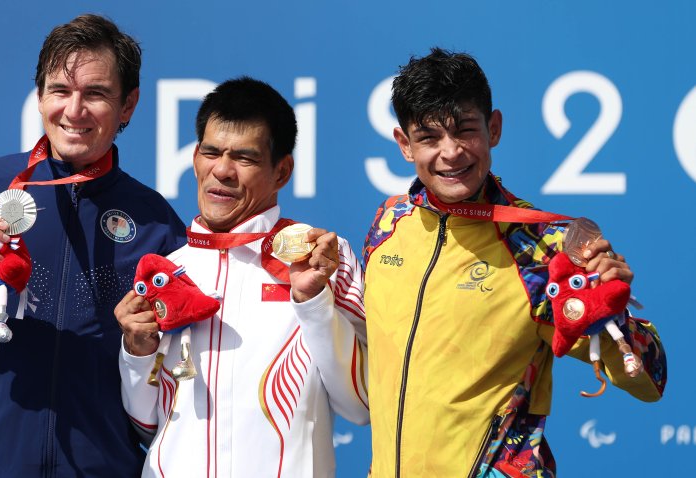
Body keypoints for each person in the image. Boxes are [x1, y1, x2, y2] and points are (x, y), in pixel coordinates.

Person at [0, 14, 186, 477]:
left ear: (129, 105)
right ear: (40, 95)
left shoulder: (155, 223)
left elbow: (178, 387)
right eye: (60, 91)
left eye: (97, 94)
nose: (74, 110)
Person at [362, 48, 666, 477]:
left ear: (494, 128)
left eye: (465, 130)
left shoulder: (543, 249)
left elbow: (651, 380)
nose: (450, 152)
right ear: (404, 145)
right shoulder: (388, 223)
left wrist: (616, 322)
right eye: (429, 137)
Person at [115, 77, 369, 477]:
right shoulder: (168, 271)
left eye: (245, 158)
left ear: (282, 171)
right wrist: (137, 349)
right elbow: (147, 424)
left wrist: (314, 304)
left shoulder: (323, 261)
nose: (222, 170)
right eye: (211, 152)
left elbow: (362, 405)